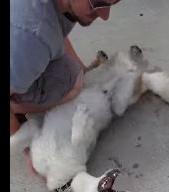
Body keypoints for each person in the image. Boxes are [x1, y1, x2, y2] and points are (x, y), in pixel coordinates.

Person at [10, 0, 121, 147]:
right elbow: (41, 33)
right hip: (22, 45)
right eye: (97, 2)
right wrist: (31, 147)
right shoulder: (32, 36)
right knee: (73, 84)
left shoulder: (59, 8)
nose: (104, 15)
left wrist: (81, 69)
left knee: (77, 74)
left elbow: (55, 28)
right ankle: (16, 105)